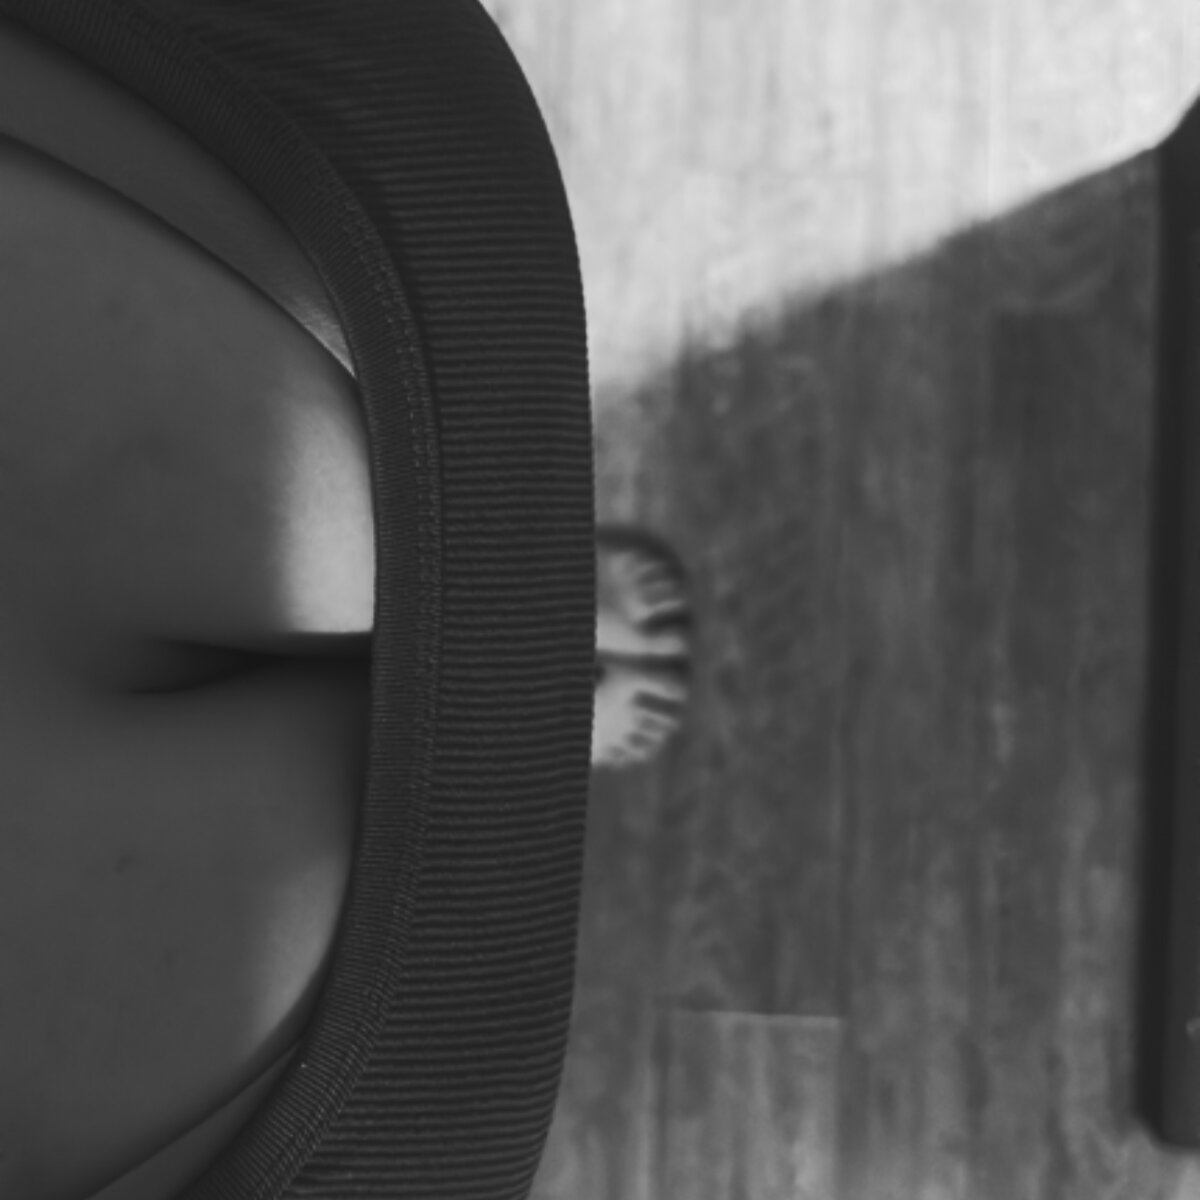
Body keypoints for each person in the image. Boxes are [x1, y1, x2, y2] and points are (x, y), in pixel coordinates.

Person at [0, 4, 694, 1198]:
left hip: (327, 151)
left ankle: (509, 665)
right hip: (282, 136)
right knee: (423, 589)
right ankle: (505, 656)